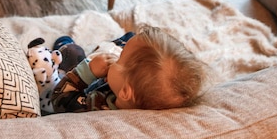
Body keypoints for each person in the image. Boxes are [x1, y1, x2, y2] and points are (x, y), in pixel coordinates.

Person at [51, 26, 210, 113]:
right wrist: (114, 73)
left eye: (120, 58)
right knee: (131, 37)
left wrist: (86, 72)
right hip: (116, 81)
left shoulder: (95, 109)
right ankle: (128, 42)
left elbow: (59, 99)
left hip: (82, 86)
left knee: (73, 52)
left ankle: (64, 45)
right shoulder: (134, 96)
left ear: (126, 92)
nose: (118, 56)